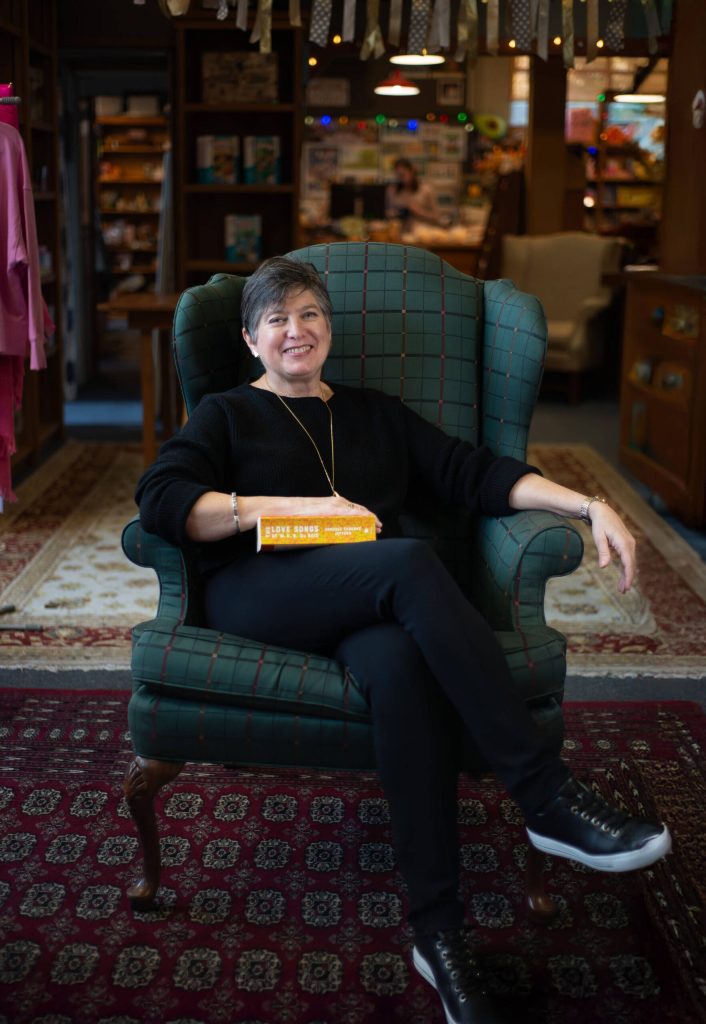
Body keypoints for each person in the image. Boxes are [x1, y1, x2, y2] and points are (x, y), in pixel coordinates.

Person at [136, 256, 672, 1024]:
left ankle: (439, 934)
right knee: (411, 562)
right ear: (253, 339)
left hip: (366, 605)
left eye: (310, 314)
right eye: (278, 319)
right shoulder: (225, 413)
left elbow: (477, 474)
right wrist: (284, 509)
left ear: (329, 329)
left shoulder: (373, 413)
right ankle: (544, 793)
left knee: (400, 667)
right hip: (259, 593)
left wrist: (591, 506)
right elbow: (161, 499)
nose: (297, 330)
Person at [386, 156, 445, 227]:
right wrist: (392, 214)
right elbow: (388, 213)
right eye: (398, 176)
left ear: (412, 171)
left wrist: (419, 211)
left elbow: (437, 217)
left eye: (403, 175)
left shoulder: (426, 190)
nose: (401, 179)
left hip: (422, 233)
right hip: (401, 234)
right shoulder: (393, 190)